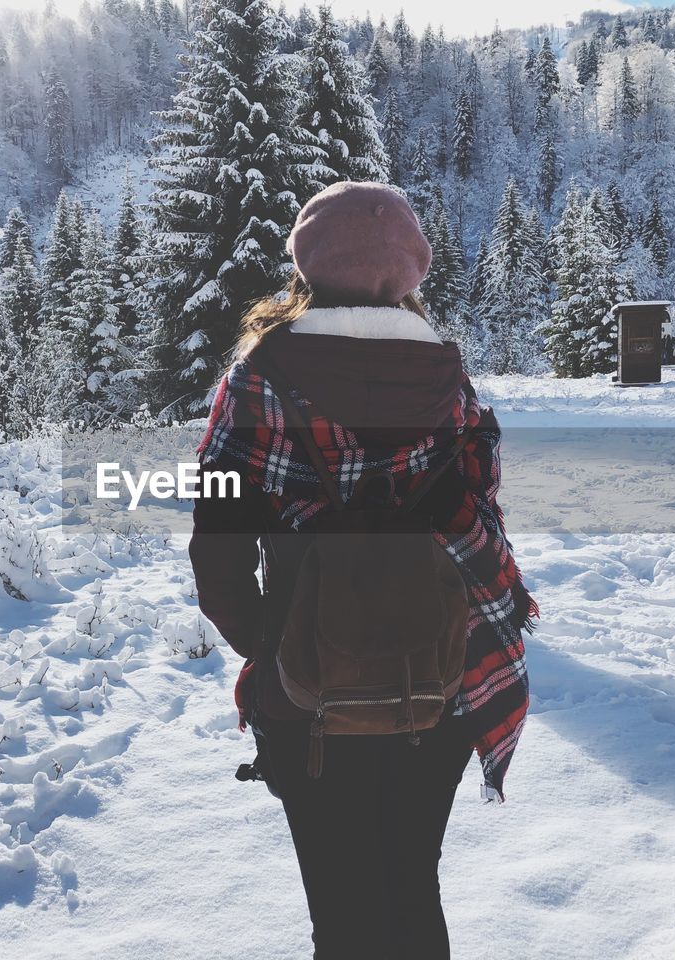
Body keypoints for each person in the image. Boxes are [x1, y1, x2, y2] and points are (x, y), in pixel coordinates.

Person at [189, 181, 535, 960]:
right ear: (410, 271)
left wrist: (272, 644)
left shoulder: (259, 378)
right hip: (440, 678)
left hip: (310, 695)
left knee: (343, 914)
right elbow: (483, 509)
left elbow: (218, 549)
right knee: (413, 892)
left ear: (307, 266)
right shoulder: (448, 380)